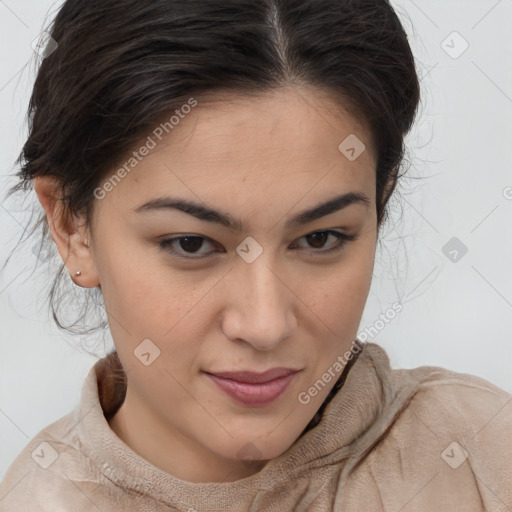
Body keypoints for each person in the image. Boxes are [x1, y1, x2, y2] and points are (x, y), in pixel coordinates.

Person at [0, 0, 510, 510]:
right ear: (72, 227)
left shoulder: (483, 453)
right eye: (192, 244)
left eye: (320, 238)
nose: (264, 325)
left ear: (379, 207)